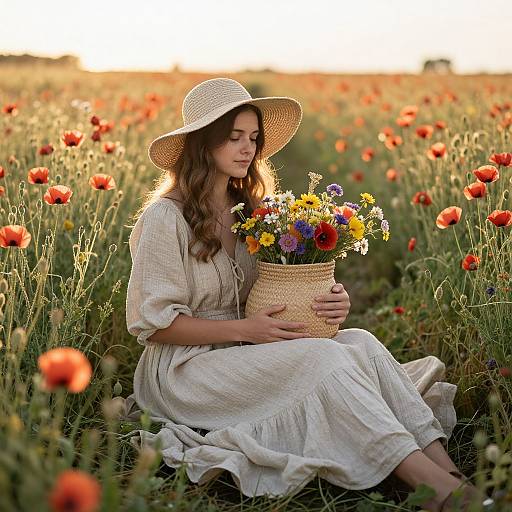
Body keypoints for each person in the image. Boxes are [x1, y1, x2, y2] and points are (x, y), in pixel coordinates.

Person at [123, 78, 492, 511]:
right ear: (203, 145)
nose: (247, 149)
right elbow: (154, 326)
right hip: (184, 370)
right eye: (234, 138)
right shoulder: (165, 219)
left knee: (362, 344)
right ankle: (434, 492)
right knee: (326, 357)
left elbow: (282, 284)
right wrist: (248, 330)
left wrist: (333, 299)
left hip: (243, 348)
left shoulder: (253, 213)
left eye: (253, 138)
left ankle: (450, 475)